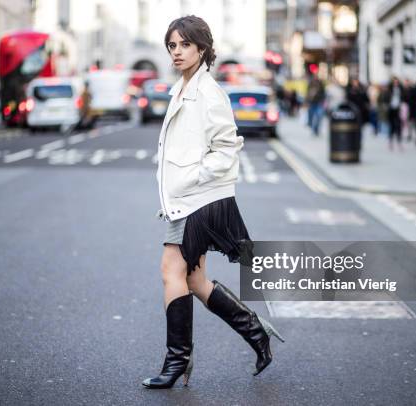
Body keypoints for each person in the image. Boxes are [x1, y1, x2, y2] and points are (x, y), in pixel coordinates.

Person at [143, 15, 284, 390]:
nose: (176, 51)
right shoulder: (184, 87)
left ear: (201, 48)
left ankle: (177, 361)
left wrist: (190, 178)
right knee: (194, 278)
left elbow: (225, 150)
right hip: (192, 198)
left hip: (197, 200)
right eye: (172, 45)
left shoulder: (208, 93)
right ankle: (256, 332)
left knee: (170, 270)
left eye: (184, 45)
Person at [388, 76, 405, 150]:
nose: (395, 83)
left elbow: (404, 97)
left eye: (396, 81)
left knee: (398, 126)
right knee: (391, 126)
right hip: (391, 109)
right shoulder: (390, 89)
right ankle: (390, 142)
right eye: (394, 81)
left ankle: (399, 142)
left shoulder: (401, 89)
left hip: (398, 109)